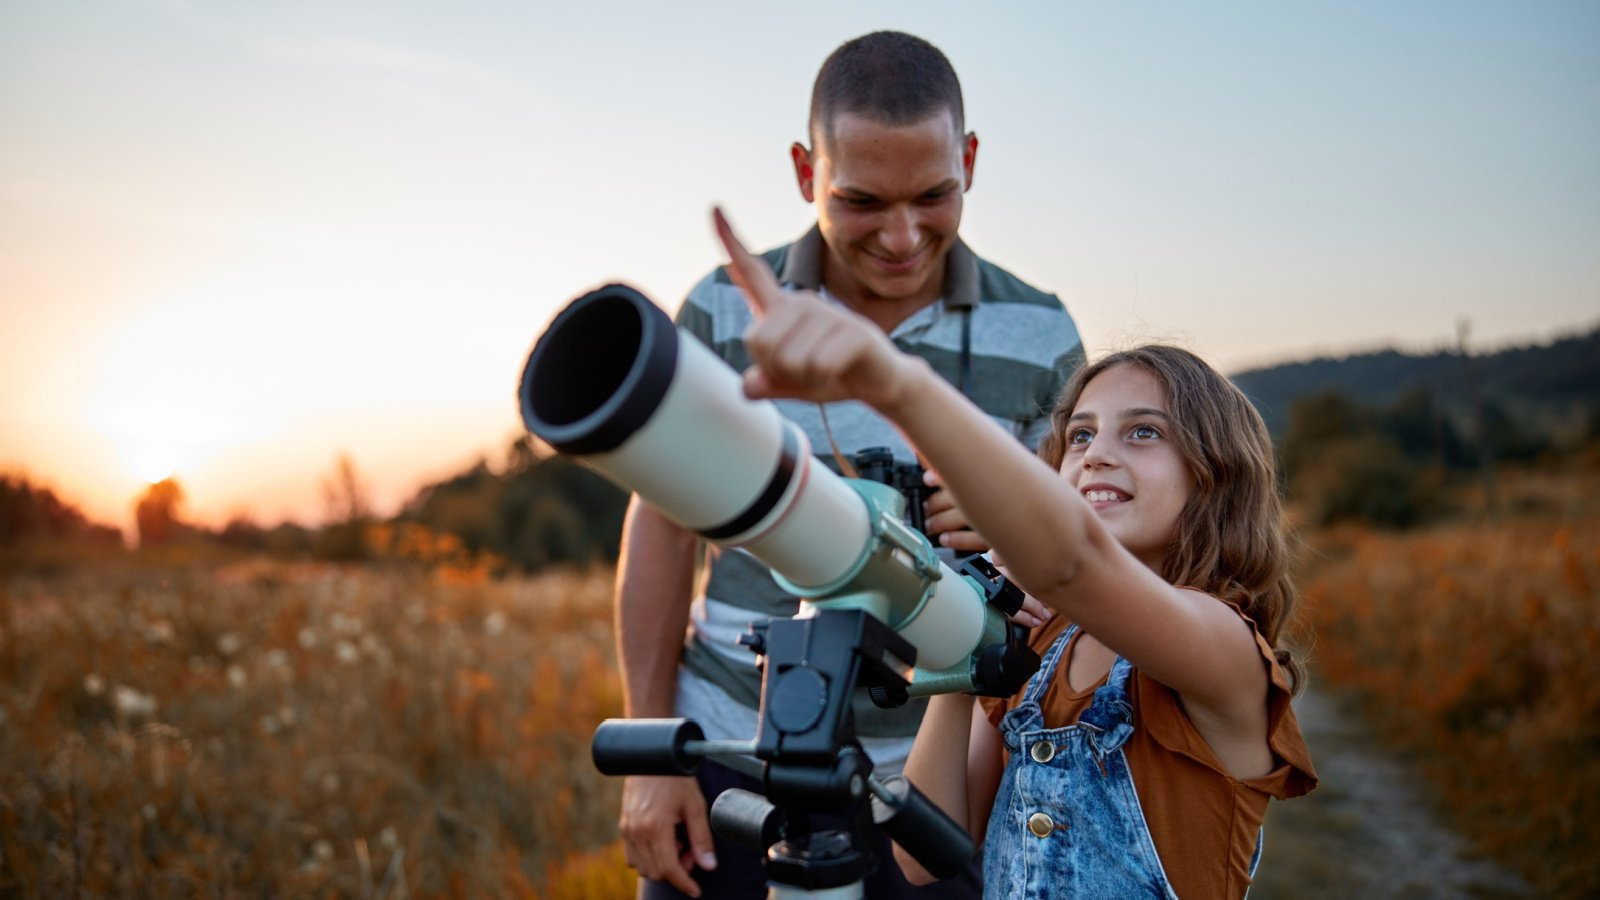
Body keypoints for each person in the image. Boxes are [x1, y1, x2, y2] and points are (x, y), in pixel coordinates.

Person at [713, 207, 1318, 899]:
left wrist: (894, 383)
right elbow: (928, 852)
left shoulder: (1223, 647)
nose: (1098, 457)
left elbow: (1074, 562)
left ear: (1216, 473)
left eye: (1143, 432)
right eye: (1081, 437)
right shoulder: (1042, 645)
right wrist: (965, 638)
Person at [617, 32, 1084, 899]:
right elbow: (660, 522)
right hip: (735, 746)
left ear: (971, 160)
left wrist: (1014, 529)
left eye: (935, 195)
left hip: (950, 775)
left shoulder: (1044, 332)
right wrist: (654, 749)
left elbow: (1087, 559)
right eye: (862, 200)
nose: (904, 237)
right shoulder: (723, 310)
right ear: (805, 172)